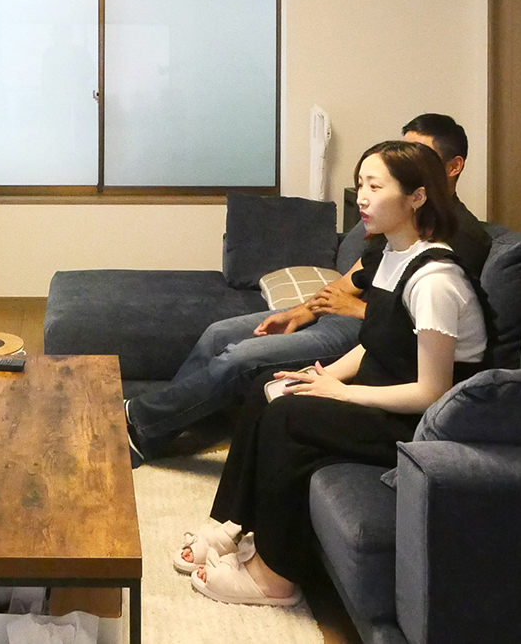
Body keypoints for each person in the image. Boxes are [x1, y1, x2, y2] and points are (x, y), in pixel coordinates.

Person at [184, 139, 488, 606]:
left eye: (375, 187)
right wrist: (319, 375)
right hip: (386, 397)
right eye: (360, 184)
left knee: (288, 419)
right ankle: (230, 526)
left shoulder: (435, 281)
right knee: (270, 388)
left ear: (417, 197)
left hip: (422, 425)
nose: (361, 198)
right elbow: (376, 344)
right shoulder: (391, 257)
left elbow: (432, 392)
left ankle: (274, 578)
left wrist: (340, 394)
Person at [125, 113, 493, 464]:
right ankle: (160, 425)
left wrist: (356, 311)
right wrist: (301, 312)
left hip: (363, 330)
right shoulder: (393, 230)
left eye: (419, 155)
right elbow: (357, 276)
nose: (403, 161)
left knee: (241, 358)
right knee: (218, 333)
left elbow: (420, 326)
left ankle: (141, 424)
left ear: (451, 168)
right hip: (346, 317)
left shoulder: (458, 240)